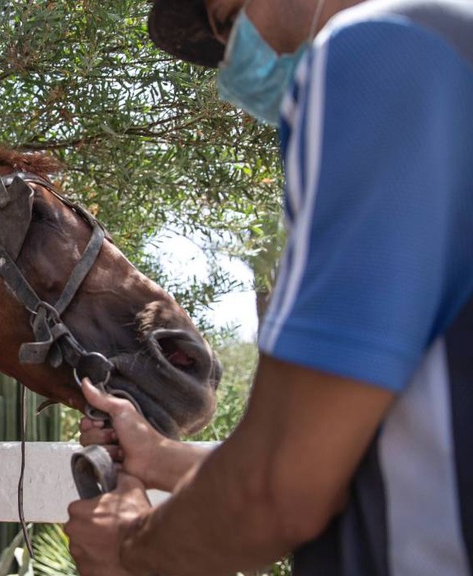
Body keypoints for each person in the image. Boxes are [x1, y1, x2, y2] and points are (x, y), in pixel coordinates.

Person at [65, 0, 473, 574]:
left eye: (229, 22)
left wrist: (132, 547)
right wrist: (159, 457)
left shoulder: (375, 52)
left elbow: (281, 488)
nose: (236, 62)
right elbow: (354, 458)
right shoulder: (451, 45)